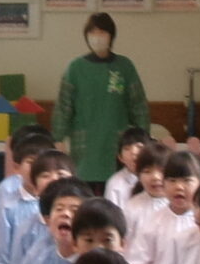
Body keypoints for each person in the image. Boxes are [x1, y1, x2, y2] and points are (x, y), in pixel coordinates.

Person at [52, 14, 148, 192]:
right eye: (92, 33)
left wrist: (143, 139)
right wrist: (58, 138)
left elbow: (138, 105)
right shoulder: (75, 68)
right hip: (85, 146)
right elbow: (63, 107)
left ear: (111, 35)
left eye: (102, 32)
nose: (97, 37)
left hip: (116, 144)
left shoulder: (124, 67)